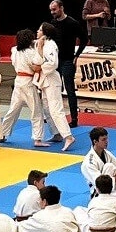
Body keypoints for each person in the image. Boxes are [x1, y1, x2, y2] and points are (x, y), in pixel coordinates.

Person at [0, 29, 47, 147]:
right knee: (36, 111)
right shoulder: (30, 52)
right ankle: (37, 139)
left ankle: (2, 134)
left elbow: (14, 62)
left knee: (13, 110)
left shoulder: (14, 50)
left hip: (18, 81)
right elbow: (38, 64)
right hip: (28, 82)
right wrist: (40, 48)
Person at [47, 0, 87, 125]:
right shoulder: (53, 23)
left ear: (61, 8)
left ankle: (74, 118)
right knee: (54, 89)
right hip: (55, 60)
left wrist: (77, 55)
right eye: (51, 10)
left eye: (54, 9)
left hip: (68, 60)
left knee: (70, 90)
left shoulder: (72, 23)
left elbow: (84, 39)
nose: (52, 12)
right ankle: (54, 115)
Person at [36, 22, 75, 151]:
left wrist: (40, 67)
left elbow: (53, 63)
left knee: (55, 109)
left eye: (40, 30)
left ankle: (68, 136)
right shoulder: (42, 44)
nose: (37, 31)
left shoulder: (51, 45)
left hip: (52, 79)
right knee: (47, 108)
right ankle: (56, 133)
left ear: (45, 33)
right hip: (45, 80)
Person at [81, 126, 116, 195]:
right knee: (109, 166)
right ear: (95, 141)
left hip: (113, 190)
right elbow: (99, 183)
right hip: (99, 193)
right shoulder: (89, 162)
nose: (106, 142)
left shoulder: (107, 154)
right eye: (103, 139)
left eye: (107, 139)